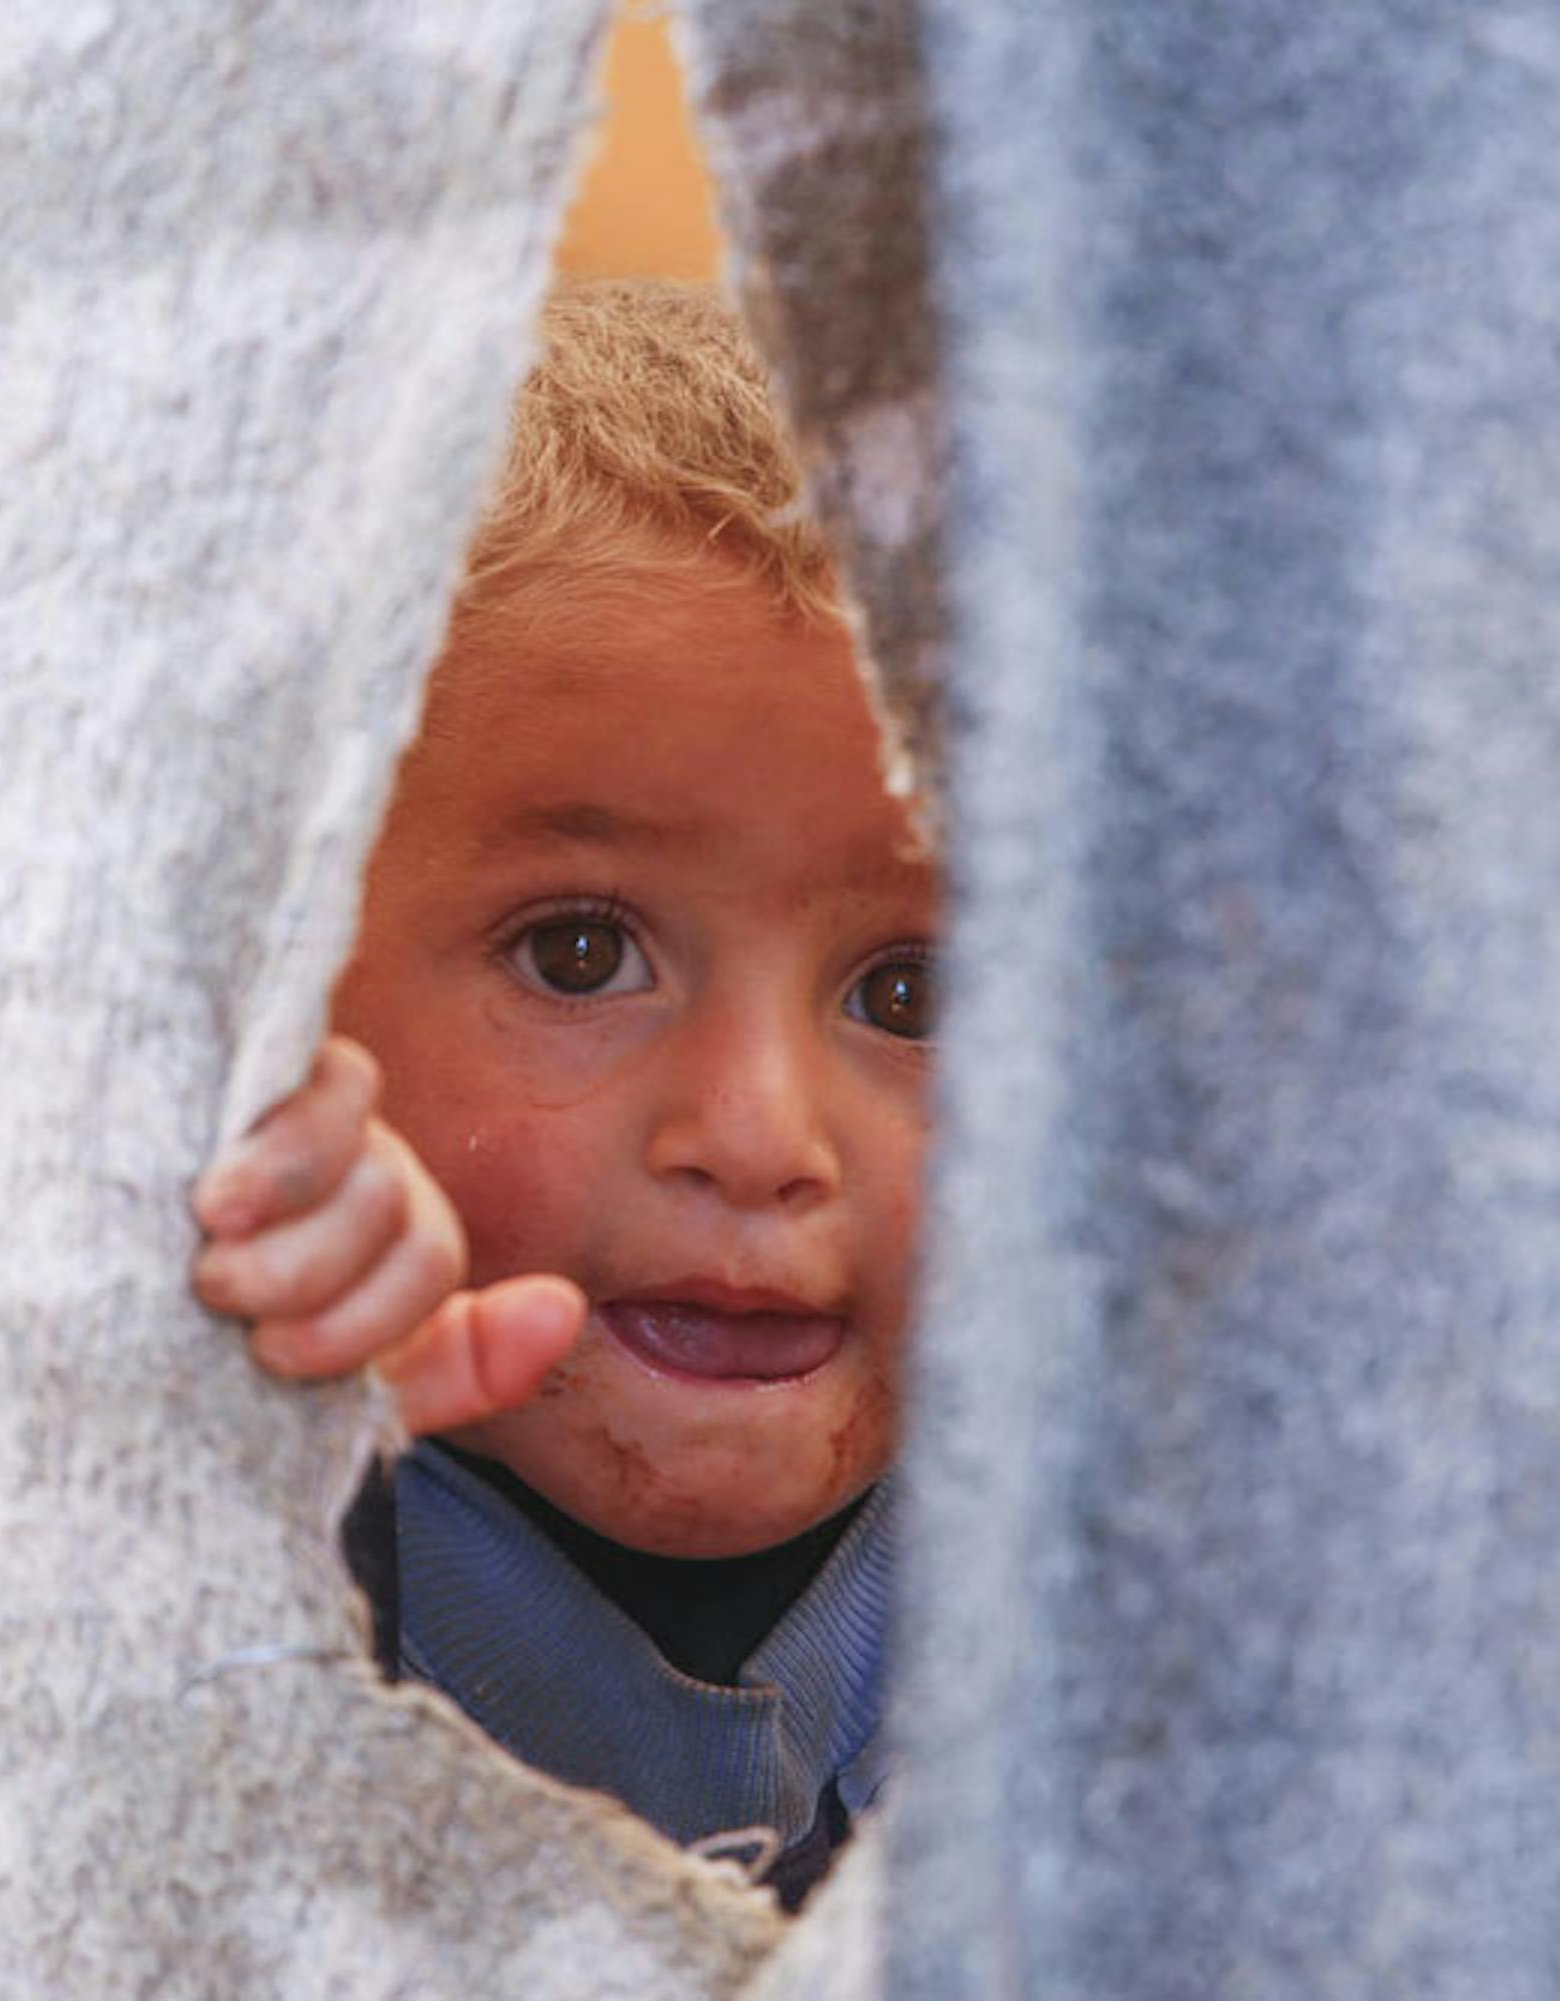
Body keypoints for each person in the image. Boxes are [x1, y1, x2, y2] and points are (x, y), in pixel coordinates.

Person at [189, 280, 936, 1909]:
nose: (754, 1140)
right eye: (582, 954)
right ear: (285, 978)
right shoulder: (174, 1541)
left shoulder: (1149, 1602)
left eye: (912, 992)